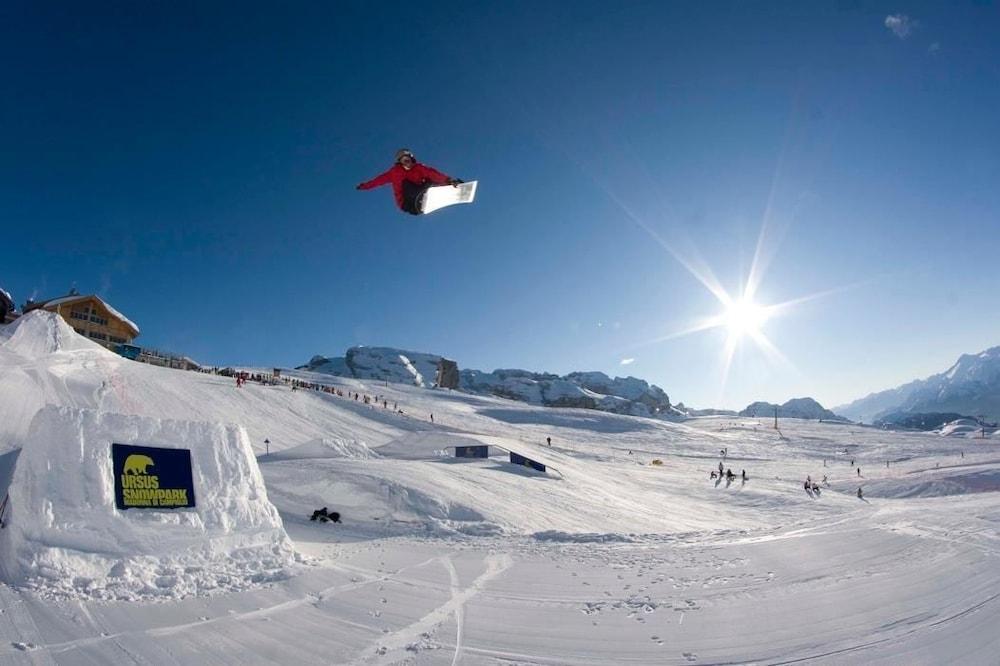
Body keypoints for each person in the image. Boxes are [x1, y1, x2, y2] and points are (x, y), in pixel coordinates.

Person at [356, 149, 462, 215]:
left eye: (408, 160)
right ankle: (421, 199)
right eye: (404, 161)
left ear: (412, 160)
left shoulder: (419, 168)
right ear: (400, 162)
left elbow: (432, 173)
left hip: (421, 193)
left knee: (429, 179)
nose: (407, 163)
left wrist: (448, 180)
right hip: (408, 204)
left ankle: (452, 185)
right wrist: (364, 186)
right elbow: (378, 181)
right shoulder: (394, 172)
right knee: (405, 183)